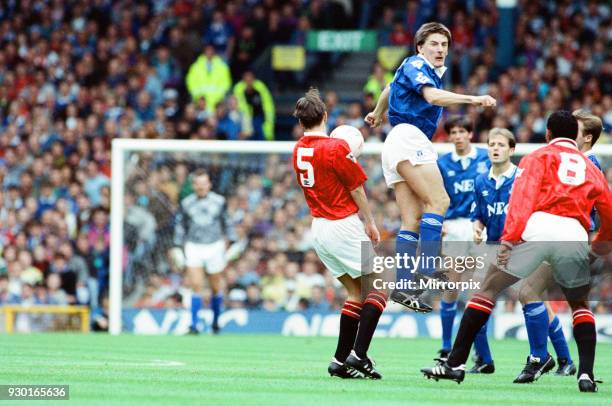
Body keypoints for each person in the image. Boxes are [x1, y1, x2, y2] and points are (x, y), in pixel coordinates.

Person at [422, 111, 612, 393]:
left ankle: (455, 363)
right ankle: (585, 374)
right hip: (574, 235)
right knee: (580, 305)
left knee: (487, 289)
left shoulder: (536, 157)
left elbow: (521, 202)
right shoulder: (590, 167)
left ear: (547, 133)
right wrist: (598, 246)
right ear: (573, 136)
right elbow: (607, 209)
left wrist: (509, 240)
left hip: (539, 230)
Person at [364, 22, 496, 312]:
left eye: (444, 45)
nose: (440, 49)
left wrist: (376, 112)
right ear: (420, 47)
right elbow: (433, 97)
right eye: (434, 44)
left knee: (411, 220)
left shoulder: (413, 69)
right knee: (439, 201)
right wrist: (474, 98)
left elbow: (389, 87)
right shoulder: (416, 64)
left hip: (396, 142)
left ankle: (403, 286)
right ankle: (426, 267)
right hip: (410, 137)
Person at [292, 88, 384, 379]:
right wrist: (369, 221)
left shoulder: (298, 149)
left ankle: (339, 360)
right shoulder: (334, 148)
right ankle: (359, 355)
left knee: (356, 293)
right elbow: (356, 187)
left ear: (300, 123)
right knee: (381, 285)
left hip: (319, 229)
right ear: (326, 116)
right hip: (342, 224)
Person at [472, 128, 575, 379]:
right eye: (491, 144)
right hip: (493, 247)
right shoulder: (480, 180)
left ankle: (562, 358)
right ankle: (484, 359)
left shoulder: (523, 177)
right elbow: (479, 215)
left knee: (530, 298)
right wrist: (477, 227)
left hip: (522, 247)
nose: (495, 148)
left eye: (501, 144)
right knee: (480, 299)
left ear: (512, 149)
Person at [436, 116, 489, 363]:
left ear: (470, 133)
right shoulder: (443, 163)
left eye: (461, 131)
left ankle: (480, 354)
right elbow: (435, 195)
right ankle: (446, 347)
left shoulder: (485, 158)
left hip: (479, 228)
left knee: (476, 293)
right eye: (453, 132)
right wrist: (440, 221)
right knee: (450, 287)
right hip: (454, 228)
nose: (457, 136)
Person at [172, 169, 228, 334]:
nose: (201, 186)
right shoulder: (186, 203)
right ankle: (194, 324)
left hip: (214, 244)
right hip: (194, 245)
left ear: (209, 184)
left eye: (204, 183)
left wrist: (230, 242)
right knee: (195, 285)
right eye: (197, 183)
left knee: (215, 286)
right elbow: (181, 225)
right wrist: (177, 245)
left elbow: (227, 222)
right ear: (193, 185)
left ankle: (216, 321)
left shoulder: (219, 201)